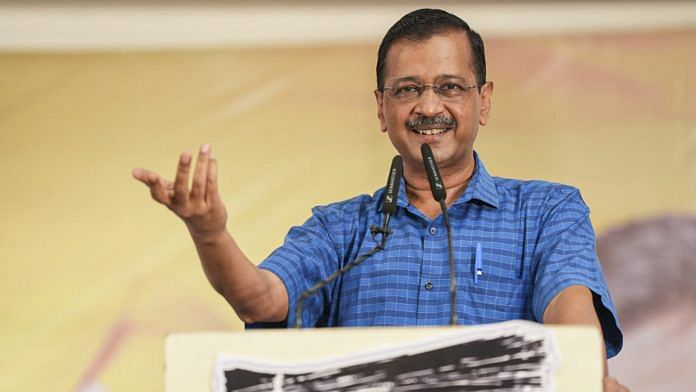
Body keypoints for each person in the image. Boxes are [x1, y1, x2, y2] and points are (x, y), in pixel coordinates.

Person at [133, 8, 628, 391]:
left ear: (485, 101)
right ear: (381, 107)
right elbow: (261, 299)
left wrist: (584, 377)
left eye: (450, 87)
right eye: (407, 89)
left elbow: (572, 317)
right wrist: (209, 233)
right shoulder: (339, 228)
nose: (428, 105)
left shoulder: (546, 211)